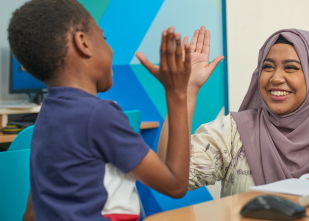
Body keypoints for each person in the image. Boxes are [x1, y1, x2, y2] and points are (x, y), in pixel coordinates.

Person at [8, 0, 194, 220]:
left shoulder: (47, 116)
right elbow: (175, 185)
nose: (109, 48)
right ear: (83, 43)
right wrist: (178, 93)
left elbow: (31, 213)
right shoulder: (99, 115)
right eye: (104, 39)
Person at [156, 28, 309, 197]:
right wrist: (185, 91)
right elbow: (169, 175)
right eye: (268, 67)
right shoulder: (234, 133)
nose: (276, 78)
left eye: (290, 68)